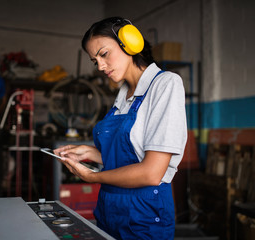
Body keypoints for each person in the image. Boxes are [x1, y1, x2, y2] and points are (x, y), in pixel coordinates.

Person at [54, 17, 187, 239]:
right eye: (95, 61)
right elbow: (128, 155)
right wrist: (89, 153)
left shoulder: (165, 84)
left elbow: (151, 172)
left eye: (104, 54)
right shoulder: (123, 94)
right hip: (110, 211)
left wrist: (93, 177)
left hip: (143, 216)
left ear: (130, 43)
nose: (100, 66)